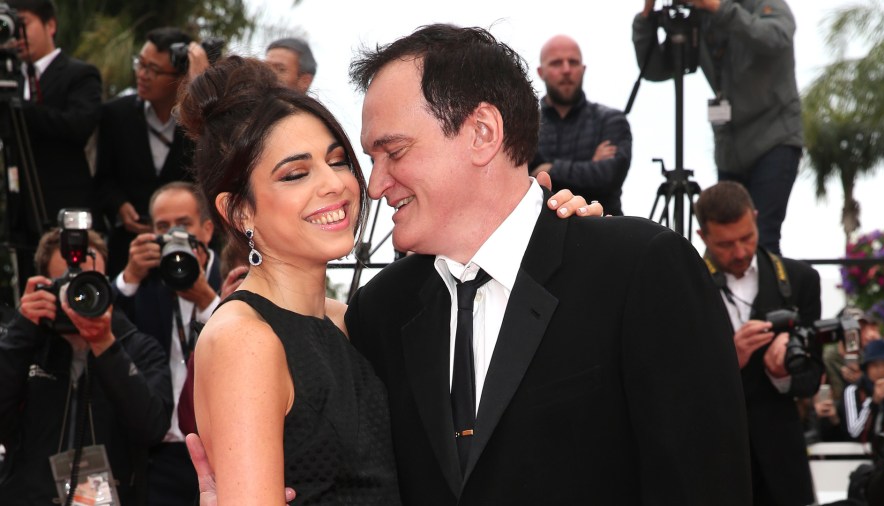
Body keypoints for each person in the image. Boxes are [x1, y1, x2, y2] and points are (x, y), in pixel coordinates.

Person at [344, 23, 750, 504]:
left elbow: (705, 484)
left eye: (393, 151)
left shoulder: (638, 271)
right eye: (372, 158)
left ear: (482, 133)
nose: (375, 185)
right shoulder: (378, 313)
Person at [179, 51, 599, 503]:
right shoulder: (245, 340)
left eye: (338, 161)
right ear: (238, 210)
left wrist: (555, 234)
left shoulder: (359, 320)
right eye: (296, 173)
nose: (335, 184)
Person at [0, 227, 172, 505]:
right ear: (44, 287)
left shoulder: (139, 348)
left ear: (106, 285)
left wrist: (106, 345)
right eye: (64, 287)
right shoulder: (26, 347)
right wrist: (21, 330)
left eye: (87, 285)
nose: (76, 299)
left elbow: (151, 428)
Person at [633, 0, 803, 254]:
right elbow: (655, 68)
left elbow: (774, 38)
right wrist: (646, 17)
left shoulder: (765, 4)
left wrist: (717, 7)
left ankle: (766, 293)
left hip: (775, 138)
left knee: (760, 238)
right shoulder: (700, 19)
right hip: (730, 148)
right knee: (723, 241)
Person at [695, 181, 820, 505]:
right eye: (724, 244)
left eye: (747, 237)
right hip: (714, 460)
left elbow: (811, 379)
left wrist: (783, 373)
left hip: (784, 464)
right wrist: (729, 359)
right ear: (702, 237)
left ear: (755, 218)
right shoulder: (685, 286)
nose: (739, 252)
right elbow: (673, 382)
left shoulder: (800, 279)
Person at [115, 181, 221, 506]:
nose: (172, 235)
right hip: (154, 453)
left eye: (183, 225)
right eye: (162, 227)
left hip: (219, 452)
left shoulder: (237, 270)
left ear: (206, 229)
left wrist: (208, 302)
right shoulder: (145, 279)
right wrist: (128, 278)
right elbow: (105, 334)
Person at [6, 0, 101, 283]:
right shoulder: (9, 77)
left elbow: (79, 125)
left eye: (24, 24)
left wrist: (20, 108)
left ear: (50, 25)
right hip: (17, 212)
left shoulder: (79, 74)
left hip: (63, 204)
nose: (18, 35)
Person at [94, 27, 197, 277]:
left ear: (180, 78)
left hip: (188, 251)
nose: (143, 74)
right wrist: (119, 206)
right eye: (141, 64)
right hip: (129, 249)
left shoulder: (199, 123)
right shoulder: (115, 114)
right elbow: (102, 179)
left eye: (154, 70)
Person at [529, 34, 633, 216]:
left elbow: (608, 177)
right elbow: (522, 181)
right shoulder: (526, 124)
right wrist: (588, 166)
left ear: (583, 69)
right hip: (540, 234)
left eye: (573, 62)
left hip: (601, 231)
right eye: (556, 63)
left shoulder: (611, 120)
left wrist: (549, 169)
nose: (566, 70)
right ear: (540, 72)